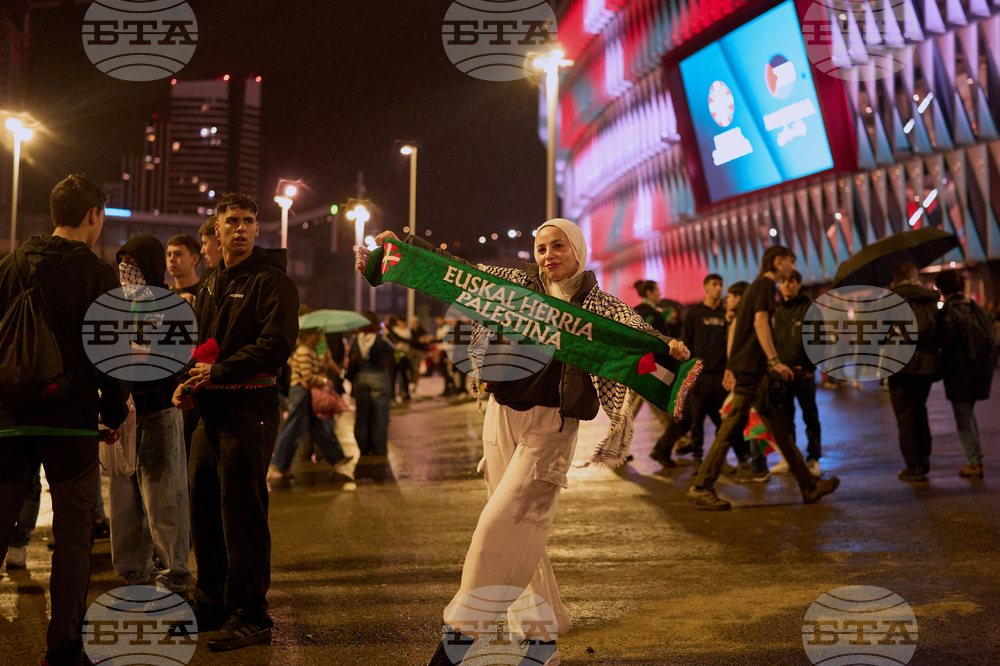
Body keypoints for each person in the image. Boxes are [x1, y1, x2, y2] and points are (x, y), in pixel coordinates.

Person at [373, 219, 689, 666]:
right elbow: (456, 272)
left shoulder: (600, 306)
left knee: (505, 523)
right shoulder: (513, 285)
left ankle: (460, 638)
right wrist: (405, 249)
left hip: (553, 426)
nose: (547, 255)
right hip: (500, 416)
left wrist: (666, 347)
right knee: (524, 530)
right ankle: (541, 640)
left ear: (577, 249)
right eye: (541, 248)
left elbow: (636, 338)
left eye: (558, 245)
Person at [0, 174, 130, 666]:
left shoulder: (9, 265)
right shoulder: (97, 275)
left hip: (9, 418)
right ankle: (64, 646)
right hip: (71, 421)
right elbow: (111, 355)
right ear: (94, 215)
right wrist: (113, 411)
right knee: (73, 538)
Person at [171, 192, 298, 651]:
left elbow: (277, 343)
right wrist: (189, 383)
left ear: (257, 229)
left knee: (242, 513)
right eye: (232, 221)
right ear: (217, 230)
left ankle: (250, 612)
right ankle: (211, 603)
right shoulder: (209, 282)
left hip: (251, 410)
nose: (240, 228)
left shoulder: (272, 281)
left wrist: (219, 372)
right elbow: (202, 346)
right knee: (204, 508)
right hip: (211, 411)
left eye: (248, 221)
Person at [688, 246, 840, 510]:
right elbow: (760, 323)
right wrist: (774, 361)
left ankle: (808, 485)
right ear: (778, 262)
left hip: (752, 370)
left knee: (776, 426)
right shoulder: (765, 286)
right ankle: (702, 485)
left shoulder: (759, 286)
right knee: (733, 424)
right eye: (790, 263)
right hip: (751, 370)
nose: (792, 268)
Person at [109, 235, 191, 598]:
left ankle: (173, 581)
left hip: (159, 411)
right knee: (125, 505)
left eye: (135, 264)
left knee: (164, 503)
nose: (128, 272)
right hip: (124, 417)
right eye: (123, 263)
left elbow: (173, 358)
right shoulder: (114, 305)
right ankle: (133, 578)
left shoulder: (171, 305)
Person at [656, 274, 729, 468]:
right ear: (705, 287)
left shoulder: (725, 314)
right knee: (693, 419)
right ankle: (694, 457)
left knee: (720, 419)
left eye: (721, 284)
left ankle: (662, 450)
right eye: (714, 284)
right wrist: (689, 376)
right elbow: (686, 345)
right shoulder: (695, 314)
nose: (718, 288)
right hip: (700, 376)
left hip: (720, 376)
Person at [935, 271, 996, 479]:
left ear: (942, 289)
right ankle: (975, 458)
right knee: (968, 415)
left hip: (958, 372)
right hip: (978, 369)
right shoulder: (973, 306)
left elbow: (946, 340)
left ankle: (974, 462)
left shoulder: (947, 311)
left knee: (963, 418)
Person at [268, 327, 348, 481]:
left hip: (306, 393)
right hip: (301, 392)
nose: (318, 338)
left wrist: (324, 362)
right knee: (293, 428)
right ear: (306, 336)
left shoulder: (309, 351)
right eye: (315, 335)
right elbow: (308, 376)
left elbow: (316, 370)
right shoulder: (304, 351)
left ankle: (337, 458)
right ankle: (278, 464)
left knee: (317, 426)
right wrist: (324, 380)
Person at [888, 262, 941, 482]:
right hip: (927, 365)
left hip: (900, 365)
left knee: (905, 414)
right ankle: (924, 459)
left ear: (896, 278)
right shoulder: (928, 299)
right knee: (919, 410)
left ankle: (914, 465)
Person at [772, 270, 822, 478]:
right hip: (783, 373)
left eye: (791, 281)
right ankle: (790, 458)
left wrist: (811, 369)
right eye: (782, 281)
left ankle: (813, 459)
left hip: (804, 374)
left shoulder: (809, 308)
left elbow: (818, 341)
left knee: (810, 416)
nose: (786, 285)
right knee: (786, 417)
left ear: (799, 284)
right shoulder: (778, 311)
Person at [629, 280, 675, 466]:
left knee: (631, 409)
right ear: (649, 292)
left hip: (639, 364)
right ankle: (679, 440)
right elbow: (646, 337)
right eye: (657, 291)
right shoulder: (650, 314)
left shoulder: (635, 310)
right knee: (661, 404)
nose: (660, 294)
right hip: (649, 365)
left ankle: (614, 449)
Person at [347, 312, 394, 456]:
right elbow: (394, 348)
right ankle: (378, 447)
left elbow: (351, 358)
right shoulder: (381, 338)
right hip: (379, 377)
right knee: (380, 414)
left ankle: (363, 447)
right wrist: (387, 333)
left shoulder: (355, 339)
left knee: (362, 414)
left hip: (361, 378)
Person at [167, 233, 202, 305]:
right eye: (169, 255)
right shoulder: (166, 295)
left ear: (195, 259)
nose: (171, 259)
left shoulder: (205, 293)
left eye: (178, 254)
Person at [386, 317, 413, 402]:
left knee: (404, 375)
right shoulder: (395, 330)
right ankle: (392, 395)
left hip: (404, 356)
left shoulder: (407, 331)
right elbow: (395, 339)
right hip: (395, 355)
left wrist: (400, 341)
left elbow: (403, 339)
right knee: (393, 376)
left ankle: (406, 393)